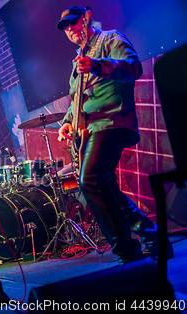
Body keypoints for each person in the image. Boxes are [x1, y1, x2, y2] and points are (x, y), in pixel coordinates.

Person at [55, 6, 173, 264]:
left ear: (86, 20)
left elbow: (133, 68)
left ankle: (126, 251)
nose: (71, 29)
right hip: (89, 130)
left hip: (112, 122)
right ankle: (154, 236)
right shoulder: (77, 61)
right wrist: (66, 123)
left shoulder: (109, 39)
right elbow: (77, 99)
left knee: (90, 180)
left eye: (74, 23)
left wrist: (98, 65)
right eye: (65, 28)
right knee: (104, 186)